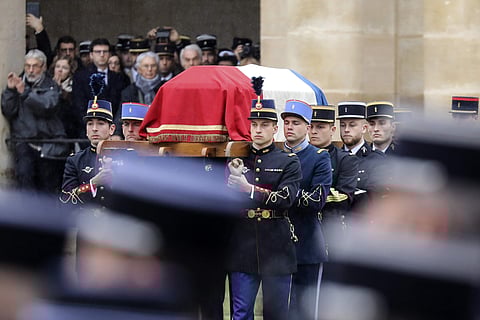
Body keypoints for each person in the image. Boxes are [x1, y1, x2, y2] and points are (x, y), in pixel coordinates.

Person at [226, 97, 302, 320]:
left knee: (276, 313)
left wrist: (249, 189)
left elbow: (286, 199)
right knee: (240, 313)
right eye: (254, 125)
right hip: (243, 245)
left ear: (275, 128)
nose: (258, 130)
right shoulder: (238, 159)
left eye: (264, 125)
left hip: (276, 246)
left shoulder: (289, 161)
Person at [280, 100, 332, 320]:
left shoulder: (319, 157)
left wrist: (285, 195)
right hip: (278, 244)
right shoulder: (276, 156)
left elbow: (317, 200)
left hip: (307, 243)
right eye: (286, 122)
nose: (289, 127)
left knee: (306, 310)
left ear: (308, 128)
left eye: (296, 123)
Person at [1, 49, 69, 194]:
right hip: (24, 141)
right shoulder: (19, 82)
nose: (30, 70)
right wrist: (10, 90)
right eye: (27, 66)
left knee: (47, 185)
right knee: (25, 179)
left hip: (47, 143)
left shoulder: (50, 85)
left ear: (43, 67)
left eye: (35, 66)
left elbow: (48, 106)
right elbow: (8, 110)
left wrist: (25, 93)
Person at [309, 105, 358, 231]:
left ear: (333, 129)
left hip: (330, 226)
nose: (314, 131)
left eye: (320, 127)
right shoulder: (298, 157)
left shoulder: (345, 159)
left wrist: (303, 196)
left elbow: (343, 198)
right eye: (311, 126)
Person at [60, 99, 115, 205]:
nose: (94, 128)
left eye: (100, 123)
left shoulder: (125, 156)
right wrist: (92, 184)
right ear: (86, 130)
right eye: (90, 124)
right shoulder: (75, 161)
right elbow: (65, 200)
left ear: (111, 129)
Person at [72, 38, 128, 141]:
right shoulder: (80, 77)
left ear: (110, 54)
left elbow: (121, 106)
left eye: (105, 51)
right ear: (91, 55)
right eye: (98, 52)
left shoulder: (120, 78)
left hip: (113, 133)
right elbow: (78, 106)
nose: (102, 55)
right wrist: (93, 127)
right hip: (89, 133)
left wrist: (114, 130)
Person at [337, 101, 385, 209]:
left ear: (364, 128)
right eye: (342, 125)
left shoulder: (376, 160)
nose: (346, 130)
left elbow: (374, 199)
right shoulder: (333, 157)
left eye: (352, 125)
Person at [49, 55, 79, 147]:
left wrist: (60, 90)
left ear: (70, 71)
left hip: (67, 129)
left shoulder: (75, 87)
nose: (60, 70)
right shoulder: (45, 84)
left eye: (64, 68)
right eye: (57, 67)